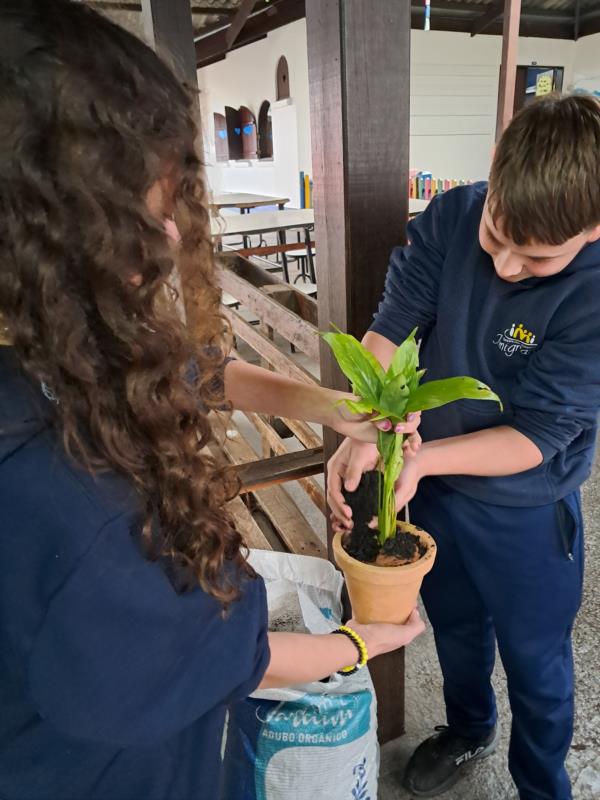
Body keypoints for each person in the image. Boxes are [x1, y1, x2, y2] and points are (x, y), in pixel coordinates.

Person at [0, 2, 425, 799]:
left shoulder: (52, 348)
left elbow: (192, 368)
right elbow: (230, 656)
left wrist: (329, 408)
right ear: (40, 233)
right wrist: (364, 641)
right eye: (139, 214)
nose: (167, 240)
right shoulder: (67, 509)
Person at [327, 93, 600, 800]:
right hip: (437, 490)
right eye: (496, 235)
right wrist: (366, 423)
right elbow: (390, 329)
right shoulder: (452, 215)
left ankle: (542, 784)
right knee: (453, 625)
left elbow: (539, 436)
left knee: (537, 662)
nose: (506, 266)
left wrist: (420, 460)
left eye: (536, 258)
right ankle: (468, 727)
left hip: (525, 508)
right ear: (492, 175)